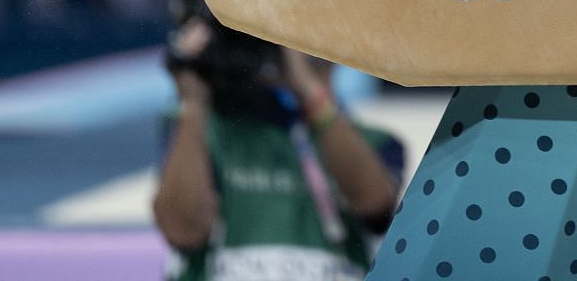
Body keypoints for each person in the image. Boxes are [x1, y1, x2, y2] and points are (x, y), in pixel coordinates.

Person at [154, 15, 403, 281]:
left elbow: (375, 205)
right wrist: (193, 104)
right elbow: (182, 232)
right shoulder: (205, 131)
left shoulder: (375, 141)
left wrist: (306, 88)